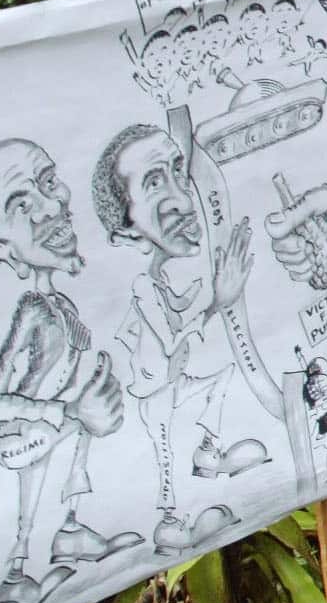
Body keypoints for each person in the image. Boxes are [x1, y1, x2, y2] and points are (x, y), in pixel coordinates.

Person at [93, 124, 270, 555]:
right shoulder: (141, 287)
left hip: (174, 379)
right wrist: (218, 301)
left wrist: (210, 295)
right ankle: (171, 519)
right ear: (127, 231)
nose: (182, 196)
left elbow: (182, 314)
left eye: (178, 169)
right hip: (156, 390)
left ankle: (210, 452)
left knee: (222, 379)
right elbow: (170, 347)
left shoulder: (163, 280)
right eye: (154, 183)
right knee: (165, 456)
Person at [0, 142, 137, 603]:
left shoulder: (59, 304)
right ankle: (17, 568)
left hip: (59, 431)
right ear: (1, 247)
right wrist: (63, 412)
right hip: (25, 439)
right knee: (35, 483)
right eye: (22, 205)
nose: (53, 207)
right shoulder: (32, 309)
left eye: (50, 182)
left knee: (82, 427)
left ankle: (69, 529)